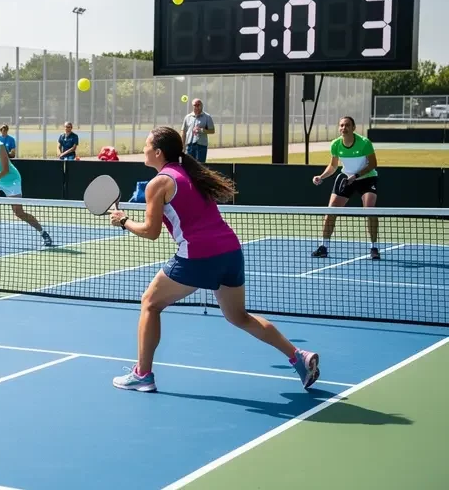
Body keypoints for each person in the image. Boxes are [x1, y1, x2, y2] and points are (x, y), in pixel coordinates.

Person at [106, 126, 319, 393]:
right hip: (230, 252)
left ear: (158, 152)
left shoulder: (158, 183)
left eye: (147, 144)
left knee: (149, 303)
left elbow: (151, 232)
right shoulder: (191, 174)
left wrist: (123, 221)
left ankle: (143, 374)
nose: (144, 148)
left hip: (198, 256)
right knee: (238, 316)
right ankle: (297, 355)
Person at [311, 116, 380, 260]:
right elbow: (333, 166)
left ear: (353, 128)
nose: (344, 128)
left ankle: (374, 247)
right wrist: (321, 176)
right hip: (346, 179)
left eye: (347, 125)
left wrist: (355, 176)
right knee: (330, 212)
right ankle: (323, 247)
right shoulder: (336, 145)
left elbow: (373, 164)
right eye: (341, 125)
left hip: (366, 178)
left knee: (370, 211)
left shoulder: (364, 143)